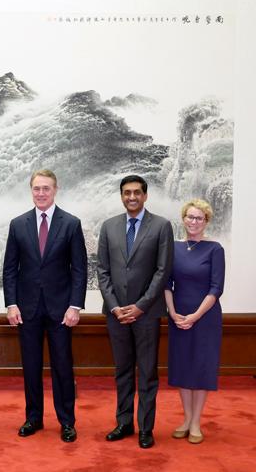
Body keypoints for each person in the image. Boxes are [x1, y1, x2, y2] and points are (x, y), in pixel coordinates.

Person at [3, 169, 87, 443]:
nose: (41, 193)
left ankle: (67, 421)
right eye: (36, 188)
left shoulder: (71, 223)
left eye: (46, 188)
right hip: (27, 309)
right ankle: (33, 418)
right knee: (31, 366)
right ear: (31, 190)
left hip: (61, 310)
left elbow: (79, 269)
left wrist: (75, 306)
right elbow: (10, 269)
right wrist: (11, 304)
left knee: (62, 366)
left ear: (55, 190)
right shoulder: (18, 224)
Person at [97, 174, 174, 449]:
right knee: (123, 371)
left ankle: (146, 428)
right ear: (121, 196)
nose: (132, 197)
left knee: (148, 373)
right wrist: (115, 306)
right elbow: (102, 270)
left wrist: (140, 306)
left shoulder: (162, 226)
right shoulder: (108, 226)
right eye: (127, 193)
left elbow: (163, 271)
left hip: (147, 313)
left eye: (136, 192)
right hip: (116, 313)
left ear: (145, 195)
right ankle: (124, 422)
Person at [165, 199, 224, 445]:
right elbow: (166, 284)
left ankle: (197, 422)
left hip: (205, 318)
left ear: (206, 221)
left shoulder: (215, 249)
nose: (194, 221)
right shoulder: (173, 248)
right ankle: (187, 419)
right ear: (183, 219)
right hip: (178, 317)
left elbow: (216, 288)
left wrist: (195, 316)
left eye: (199, 218)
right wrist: (172, 313)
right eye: (190, 217)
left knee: (200, 369)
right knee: (183, 367)